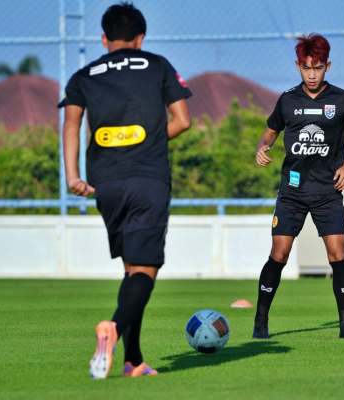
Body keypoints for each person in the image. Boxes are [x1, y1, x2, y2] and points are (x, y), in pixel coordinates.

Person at [59, 2, 192, 378]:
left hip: (106, 183)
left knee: (133, 270)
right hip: (147, 179)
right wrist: (148, 142)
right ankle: (113, 329)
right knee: (145, 271)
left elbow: (71, 125)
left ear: (104, 39)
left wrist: (73, 176)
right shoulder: (158, 65)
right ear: (141, 38)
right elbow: (183, 120)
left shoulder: (83, 75)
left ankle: (133, 360)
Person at [253, 33, 344, 340]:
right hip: (292, 192)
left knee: (337, 254)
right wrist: (262, 147)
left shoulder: (342, 99)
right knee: (279, 254)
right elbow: (270, 132)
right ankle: (260, 322)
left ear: (327, 66)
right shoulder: (287, 100)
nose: (312, 74)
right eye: (307, 68)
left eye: (318, 68)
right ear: (298, 67)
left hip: (327, 192)